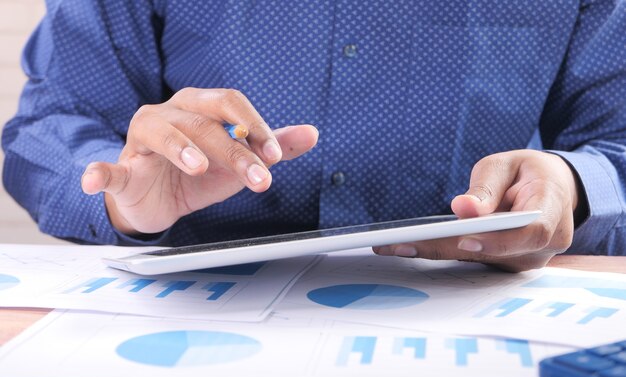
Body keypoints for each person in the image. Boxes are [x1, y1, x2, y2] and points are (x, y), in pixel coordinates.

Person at [2, 1, 625, 272]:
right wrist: (118, 194)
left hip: (476, 322)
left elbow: (616, 148)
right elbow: (49, 122)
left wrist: (573, 184)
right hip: (189, 327)